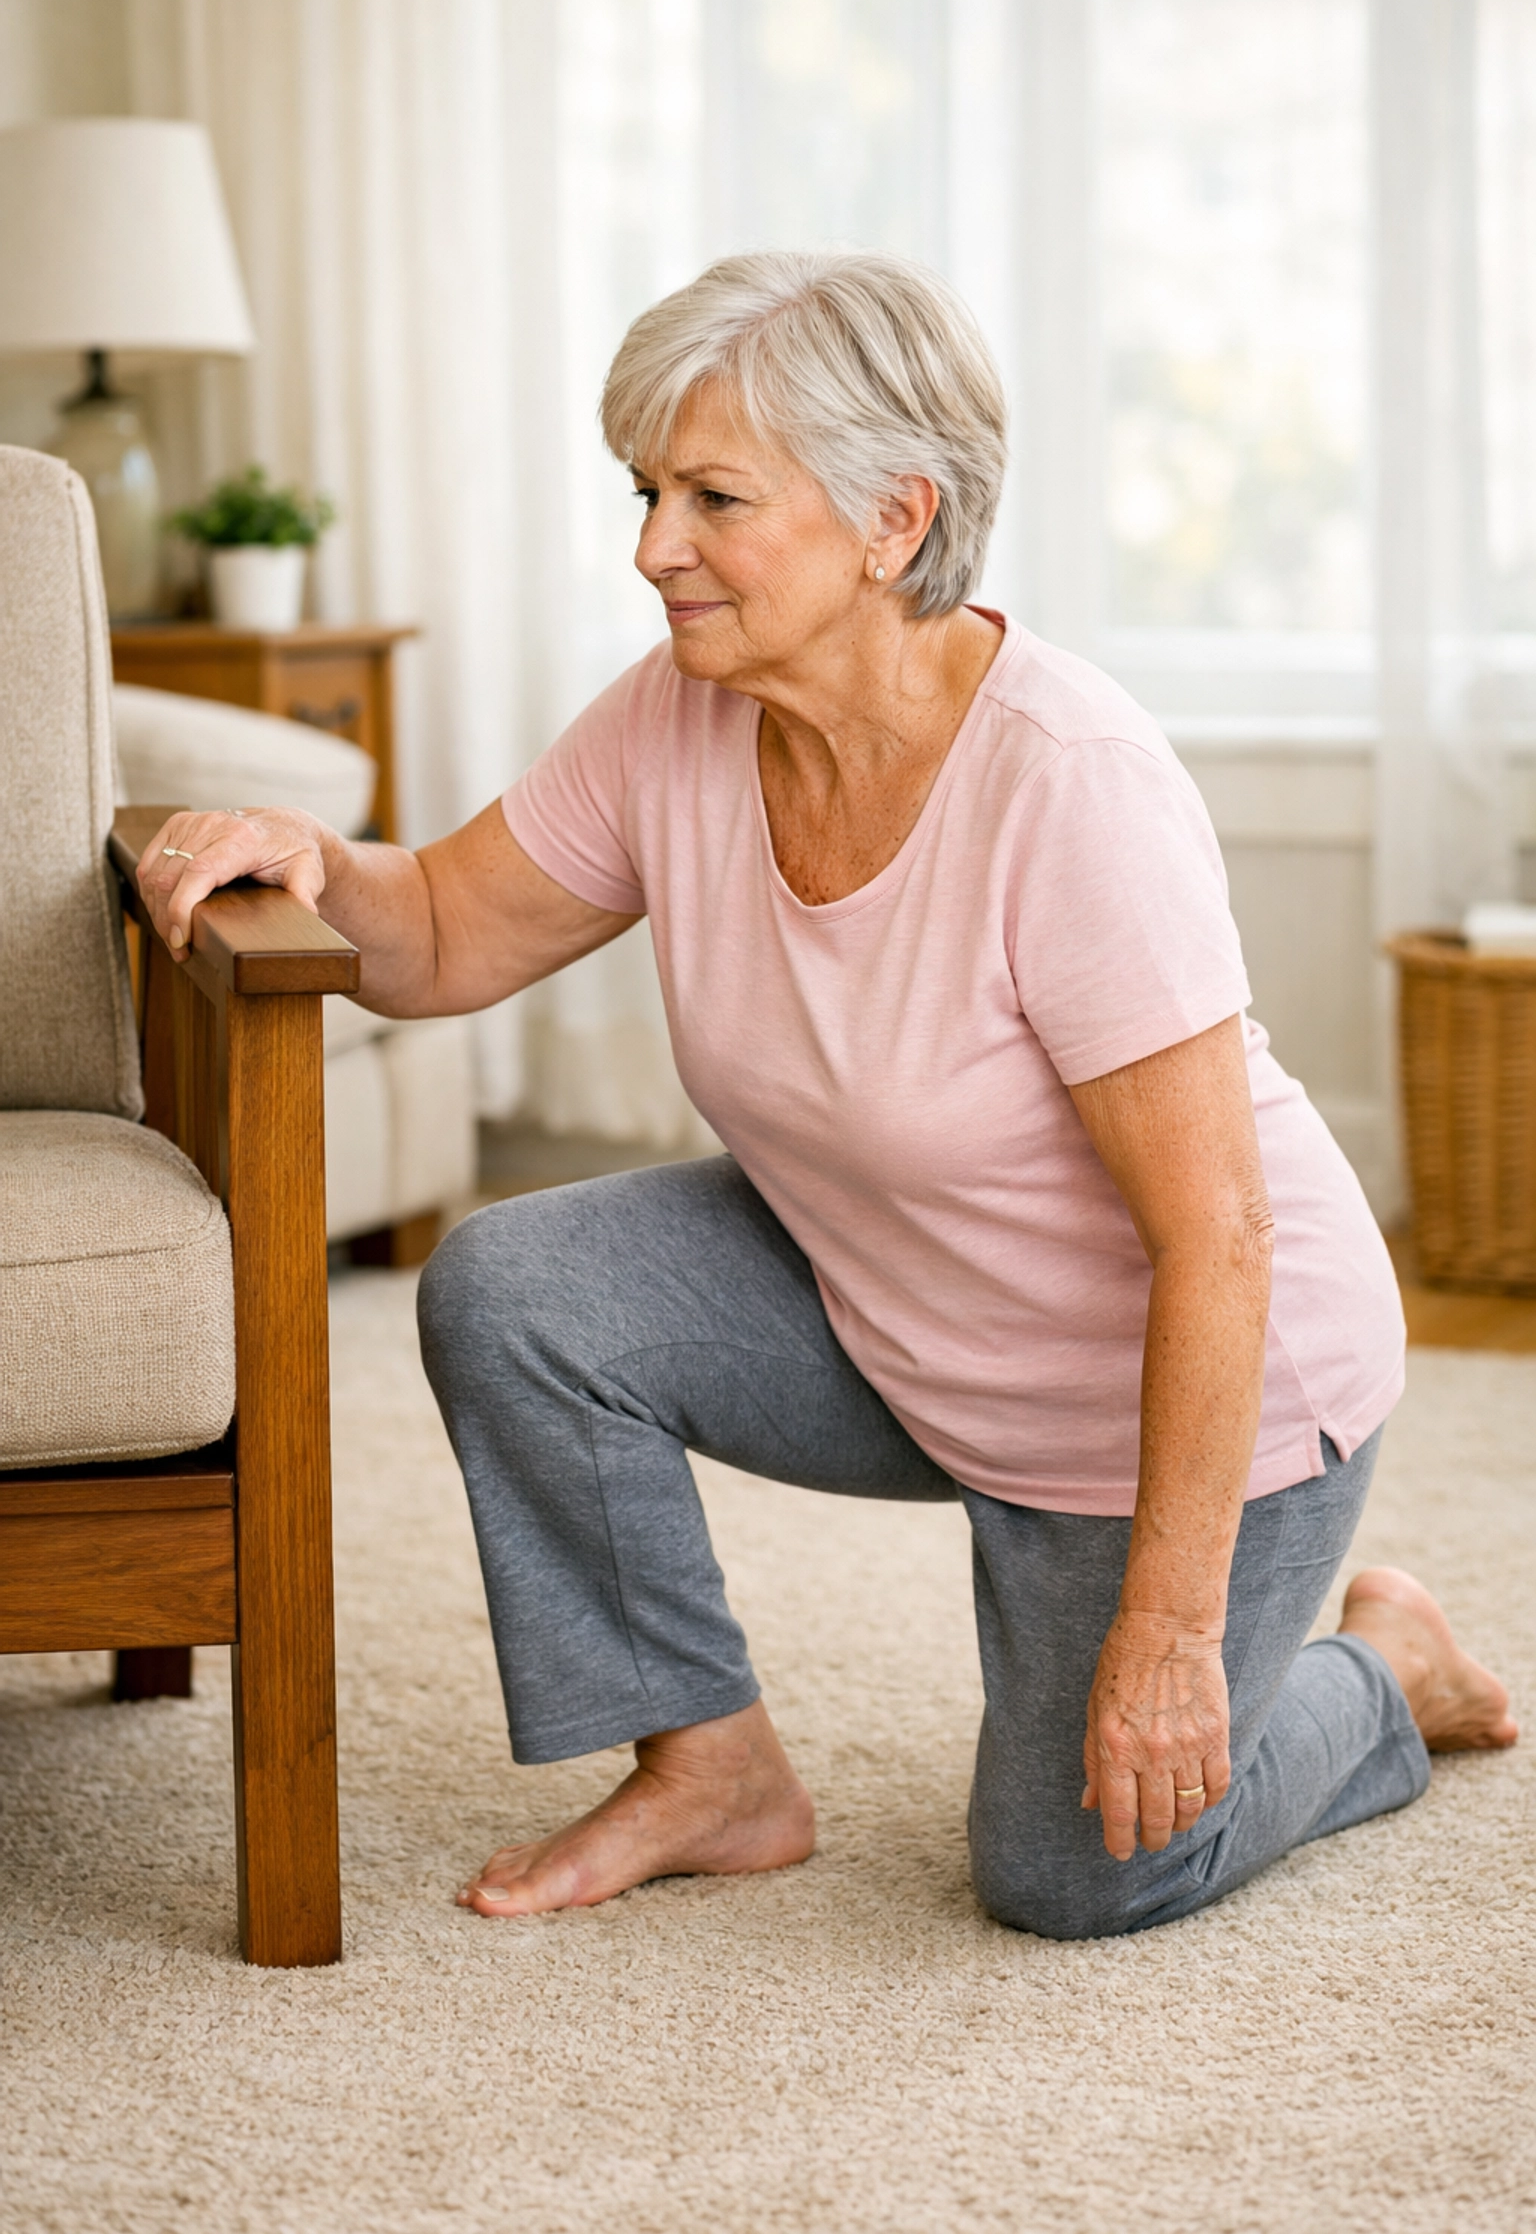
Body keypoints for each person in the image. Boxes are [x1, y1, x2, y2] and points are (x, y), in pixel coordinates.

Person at [139, 250, 1517, 1940]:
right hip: (902, 1306)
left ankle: (1387, 1668)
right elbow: (436, 933)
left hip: (1171, 1388)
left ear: (893, 518)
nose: (653, 546)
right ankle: (712, 1769)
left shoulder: (1067, 785)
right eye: (646, 490)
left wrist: (1165, 1633)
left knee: (1085, 1874)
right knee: (515, 1292)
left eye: (714, 496)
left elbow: (1219, 1240)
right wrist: (319, 864)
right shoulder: (675, 722)